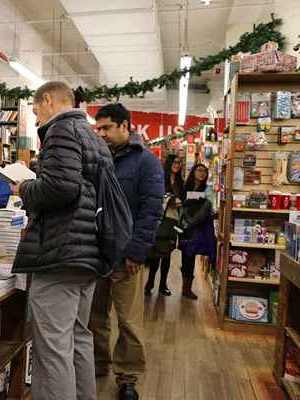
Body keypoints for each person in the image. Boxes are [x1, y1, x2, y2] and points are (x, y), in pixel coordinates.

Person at [11, 81, 110, 400]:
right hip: (88, 253)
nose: (36, 116)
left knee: (52, 348)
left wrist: (24, 188)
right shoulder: (93, 137)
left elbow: (61, 188)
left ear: (49, 100)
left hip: (61, 253)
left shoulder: (60, 131)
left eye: (36, 108)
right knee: (78, 339)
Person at [90, 103, 164, 400]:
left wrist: (136, 251)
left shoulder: (146, 162)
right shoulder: (98, 160)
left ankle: (127, 378)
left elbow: (151, 211)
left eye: (107, 128)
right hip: (96, 253)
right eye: (99, 129)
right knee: (95, 317)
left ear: (125, 126)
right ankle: (97, 364)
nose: (102, 134)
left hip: (127, 257)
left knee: (129, 321)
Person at [144, 154, 184, 296]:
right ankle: (149, 283)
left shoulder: (180, 182)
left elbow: (183, 199)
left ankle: (163, 285)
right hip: (160, 218)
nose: (177, 165)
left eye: (179, 162)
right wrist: (171, 199)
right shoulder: (161, 178)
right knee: (156, 253)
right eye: (175, 162)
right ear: (169, 163)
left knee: (167, 253)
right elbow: (156, 195)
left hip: (173, 220)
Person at [178, 163, 216, 300]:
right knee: (184, 256)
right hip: (183, 227)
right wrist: (182, 223)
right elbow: (180, 205)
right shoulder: (185, 187)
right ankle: (184, 287)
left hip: (196, 229)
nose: (202, 173)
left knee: (191, 255)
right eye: (199, 170)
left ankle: (187, 288)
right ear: (193, 171)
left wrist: (191, 223)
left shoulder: (207, 189)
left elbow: (206, 209)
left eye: (205, 171)